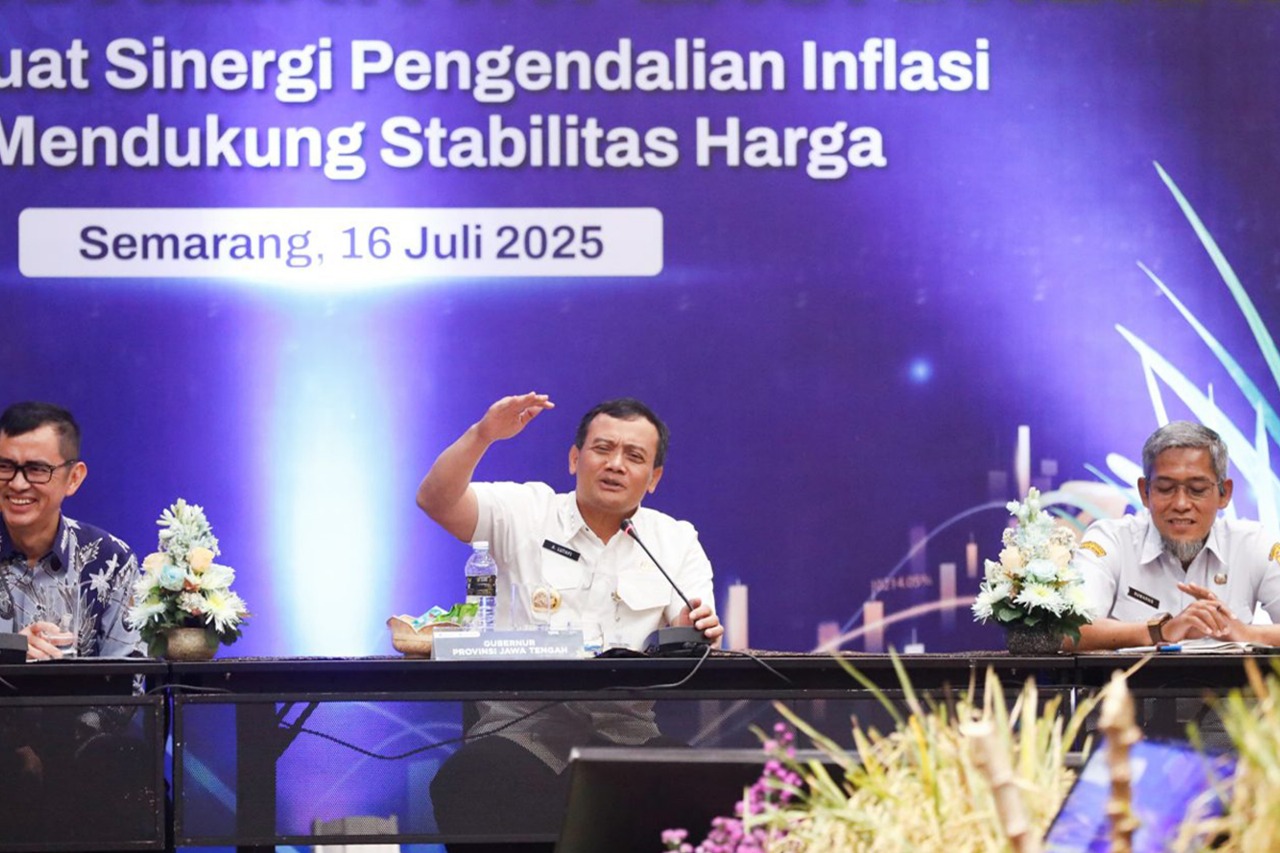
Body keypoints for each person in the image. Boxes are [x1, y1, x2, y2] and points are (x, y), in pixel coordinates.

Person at [416, 392, 723, 848]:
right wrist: (483, 435)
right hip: (521, 733)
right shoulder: (526, 511)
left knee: (692, 781)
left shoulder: (675, 541)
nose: (615, 464)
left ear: (654, 478)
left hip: (626, 738)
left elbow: (695, 626)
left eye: (634, 456)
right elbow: (435, 500)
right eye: (603, 449)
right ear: (575, 459)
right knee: (475, 776)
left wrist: (694, 629)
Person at [1073, 420, 1280, 650]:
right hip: (1129, 675)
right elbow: (1070, 631)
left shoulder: (1253, 544)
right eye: (1165, 488)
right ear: (1145, 492)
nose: (1181, 504)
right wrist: (1160, 631)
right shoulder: (1110, 540)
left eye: (1197, 489)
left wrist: (1244, 633)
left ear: (1224, 493)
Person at [0, 401, 144, 660]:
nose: (18, 484)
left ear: (74, 478)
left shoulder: (111, 562)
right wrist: (9, 652)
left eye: (37, 469)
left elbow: (130, 678)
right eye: (5, 467)